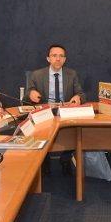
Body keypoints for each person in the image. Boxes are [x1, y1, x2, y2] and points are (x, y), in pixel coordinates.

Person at [24, 44, 86, 176]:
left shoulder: (71, 74)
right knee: (39, 131)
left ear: (65, 59)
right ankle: (44, 161)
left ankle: (65, 158)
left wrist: (77, 97)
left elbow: (81, 93)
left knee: (77, 130)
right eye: (54, 56)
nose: (58, 59)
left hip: (65, 112)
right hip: (45, 113)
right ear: (48, 58)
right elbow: (27, 95)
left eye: (61, 56)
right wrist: (31, 93)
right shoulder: (37, 74)